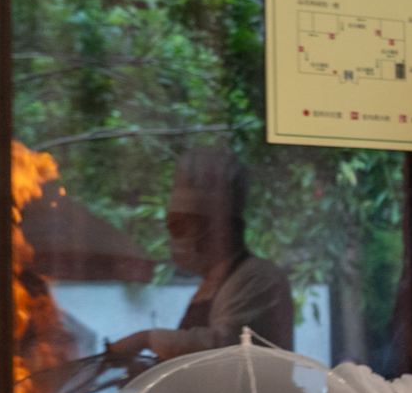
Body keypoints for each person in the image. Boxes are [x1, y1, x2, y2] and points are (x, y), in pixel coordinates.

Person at [107, 146, 293, 360]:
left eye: (179, 226)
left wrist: (147, 338)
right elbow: (193, 371)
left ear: (216, 228)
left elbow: (225, 350)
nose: (172, 239)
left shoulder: (259, 278)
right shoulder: (213, 282)